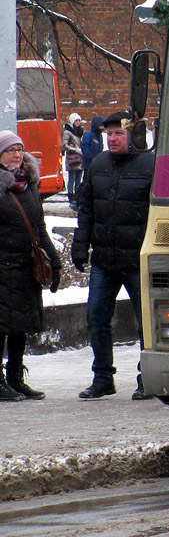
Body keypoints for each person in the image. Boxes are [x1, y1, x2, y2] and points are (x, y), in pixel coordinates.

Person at [72, 111, 155, 400]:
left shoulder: (150, 164)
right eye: (109, 134)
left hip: (137, 259)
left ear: (133, 135)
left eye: (119, 133)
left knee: (147, 322)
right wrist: (80, 247)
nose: (113, 139)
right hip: (105, 260)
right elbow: (87, 209)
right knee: (96, 317)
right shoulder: (98, 165)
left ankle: (148, 378)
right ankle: (103, 377)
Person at [0, 130, 61, 401]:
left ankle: (15, 377)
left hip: (26, 267)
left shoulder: (29, 184)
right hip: (2, 266)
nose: (16, 155)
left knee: (20, 325)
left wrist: (54, 261)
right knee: (1, 325)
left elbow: (38, 226)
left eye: (19, 149)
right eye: (10, 150)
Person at [63, 113, 84, 209]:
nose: (78, 122)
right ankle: (71, 197)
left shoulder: (80, 131)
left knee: (78, 179)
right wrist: (76, 150)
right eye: (76, 120)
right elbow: (64, 145)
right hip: (72, 158)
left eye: (79, 120)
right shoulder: (67, 132)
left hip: (80, 158)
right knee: (72, 178)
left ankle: (77, 196)